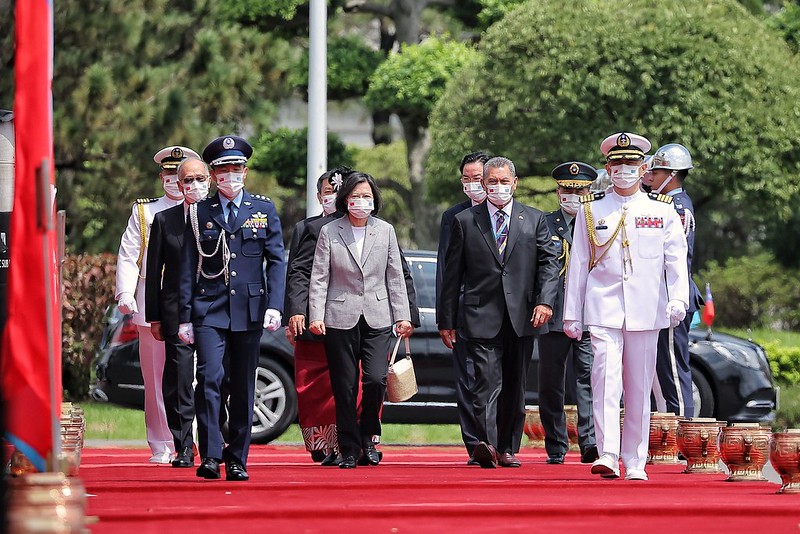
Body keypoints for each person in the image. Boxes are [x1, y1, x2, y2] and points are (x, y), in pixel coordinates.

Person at [563, 132, 689, 481]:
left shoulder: (660, 210)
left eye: (631, 163)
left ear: (644, 167)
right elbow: (578, 264)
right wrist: (572, 313)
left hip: (647, 309)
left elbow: (676, 259)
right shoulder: (591, 209)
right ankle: (607, 452)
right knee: (604, 380)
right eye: (617, 163)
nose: (623, 169)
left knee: (639, 387)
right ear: (607, 168)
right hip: (603, 307)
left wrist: (678, 298)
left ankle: (635, 459)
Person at [437, 156, 560, 469]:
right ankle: (486, 444)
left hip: (522, 316)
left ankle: (507, 447)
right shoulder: (465, 220)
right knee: (485, 383)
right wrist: (446, 319)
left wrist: (545, 302)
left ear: (515, 183)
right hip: (480, 315)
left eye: (504, 181)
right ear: (484, 184)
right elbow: (452, 274)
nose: (498, 187)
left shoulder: (534, 219)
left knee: (514, 387)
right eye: (492, 181)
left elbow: (549, 263)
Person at [178, 135, 285, 481]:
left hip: (249, 309)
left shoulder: (263, 209)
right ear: (213, 174)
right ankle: (211, 454)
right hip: (209, 308)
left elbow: (276, 260)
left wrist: (276, 305)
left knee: (242, 385)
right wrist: (184, 317)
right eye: (223, 169)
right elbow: (187, 265)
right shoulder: (199, 212)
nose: (230, 175)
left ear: (245, 171)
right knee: (209, 377)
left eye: (236, 168)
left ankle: (237, 457)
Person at [307, 172, 412, 469]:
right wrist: (316, 315)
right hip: (339, 316)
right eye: (355, 197)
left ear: (374, 199)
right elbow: (319, 277)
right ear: (345, 200)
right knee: (344, 386)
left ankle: (369, 436)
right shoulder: (330, 231)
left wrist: (403, 316)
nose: (361, 202)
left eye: (366, 196)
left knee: (376, 379)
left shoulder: (386, 230)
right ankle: (348, 447)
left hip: (378, 315)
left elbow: (395, 276)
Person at [115, 145, 198, 464]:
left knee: (197, 375)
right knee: (157, 377)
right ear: (161, 176)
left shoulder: (204, 209)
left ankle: (196, 438)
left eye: (179, 174)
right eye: (168, 174)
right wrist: (125, 292)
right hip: (154, 299)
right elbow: (129, 254)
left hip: (197, 301)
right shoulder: (145, 212)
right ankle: (163, 442)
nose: (174, 180)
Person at [284, 166, 350, 466]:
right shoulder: (307, 229)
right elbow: (296, 273)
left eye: (339, 191)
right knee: (317, 387)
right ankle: (325, 443)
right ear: (319, 195)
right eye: (328, 192)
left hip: (354, 320)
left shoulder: (372, 227)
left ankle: (357, 442)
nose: (333, 197)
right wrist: (294, 313)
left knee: (355, 384)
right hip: (316, 320)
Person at [145, 155, 208, 468]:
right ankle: (183, 444)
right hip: (175, 313)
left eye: (200, 179)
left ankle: (212, 440)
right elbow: (154, 270)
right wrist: (154, 316)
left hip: (213, 310)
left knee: (214, 377)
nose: (194, 185)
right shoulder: (165, 220)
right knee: (179, 379)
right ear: (179, 186)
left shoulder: (220, 215)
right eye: (188, 180)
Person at [539, 161, 598, 465]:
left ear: (589, 192)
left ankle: (590, 442)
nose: (573, 196)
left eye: (580, 191)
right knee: (551, 383)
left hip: (589, 314)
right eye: (567, 190)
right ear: (558, 192)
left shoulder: (598, 223)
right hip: (554, 314)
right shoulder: (545, 224)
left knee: (588, 380)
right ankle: (556, 445)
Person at [435, 151, 491, 465]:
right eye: (466, 179)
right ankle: (476, 444)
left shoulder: (512, 214)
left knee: (497, 379)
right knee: (468, 379)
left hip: (502, 311)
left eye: (477, 178)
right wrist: (445, 317)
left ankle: (500, 442)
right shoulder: (453, 217)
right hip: (464, 311)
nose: (472, 184)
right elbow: (446, 268)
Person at [644, 144, 704, 417]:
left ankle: (683, 429)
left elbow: (671, 257)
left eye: (655, 173)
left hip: (672, 295)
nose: (650, 177)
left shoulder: (676, 207)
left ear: (672, 175)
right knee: (663, 371)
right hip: (663, 295)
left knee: (673, 373)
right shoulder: (666, 203)